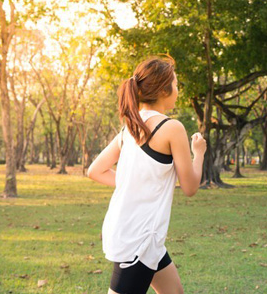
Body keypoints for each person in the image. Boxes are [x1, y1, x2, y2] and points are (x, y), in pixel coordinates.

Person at [87, 54, 207, 294]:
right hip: (138, 240)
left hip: (142, 235)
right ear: (163, 90)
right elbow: (191, 187)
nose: (177, 90)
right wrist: (199, 152)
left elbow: (95, 171)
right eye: (175, 84)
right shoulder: (171, 128)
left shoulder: (129, 128)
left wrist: (134, 184)